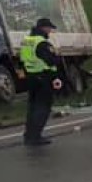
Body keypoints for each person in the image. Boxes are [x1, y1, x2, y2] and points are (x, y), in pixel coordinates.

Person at [20, 17, 61, 146]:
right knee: (43, 108)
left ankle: (29, 135)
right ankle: (36, 136)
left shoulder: (27, 41)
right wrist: (56, 60)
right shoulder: (41, 43)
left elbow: (21, 60)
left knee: (33, 107)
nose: (50, 31)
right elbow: (51, 60)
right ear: (43, 28)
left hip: (31, 77)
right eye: (49, 28)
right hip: (43, 77)